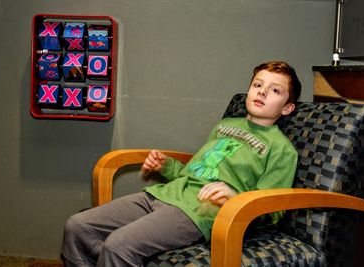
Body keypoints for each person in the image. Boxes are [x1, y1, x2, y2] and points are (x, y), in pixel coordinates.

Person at [61, 60, 302, 267]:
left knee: (116, 246)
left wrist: (233, 198)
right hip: (163, 194)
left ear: (287, 107)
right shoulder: (225, 125)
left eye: (275, 91)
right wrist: (164, 166)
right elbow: (194, 171)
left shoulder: (281, 149)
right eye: (257, 85)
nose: (261, 92)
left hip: (196, 212)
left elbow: (272, 208)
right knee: (78, 226)